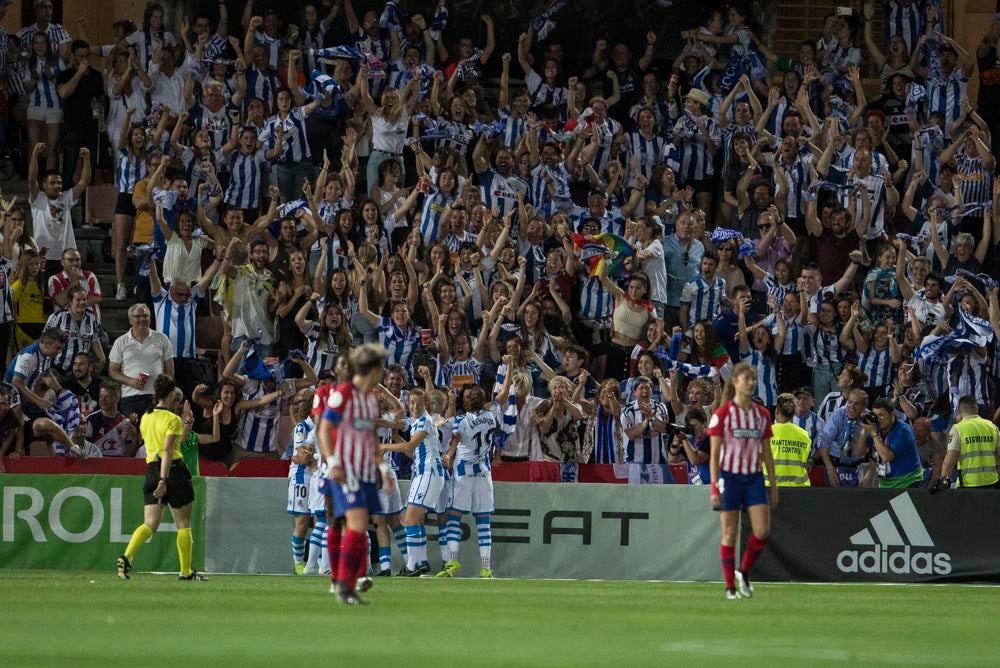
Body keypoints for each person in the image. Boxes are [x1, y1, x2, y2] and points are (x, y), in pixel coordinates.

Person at [315, 343, 391, 605]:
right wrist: (333, 462)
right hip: (345, 471)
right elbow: (324, 430)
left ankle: (345, 583)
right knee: (355, 524)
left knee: (360, 527)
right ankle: (343, 586)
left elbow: (370, 436)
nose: (382, 372)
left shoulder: (370, 398)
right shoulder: (342, 394)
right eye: (381, 367)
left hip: (366, 472)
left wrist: (381, 467)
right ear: (373, 368)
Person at [118, 374, 207, 581]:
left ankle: (127, 556)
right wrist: (163, 480)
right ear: (170, 394)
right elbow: (168, 450)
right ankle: (186, 572)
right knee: (183, 524)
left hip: (150, 469)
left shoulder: (146, 417)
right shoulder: (172, 419)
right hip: (172, 472)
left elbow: (155, 445)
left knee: (149, 524)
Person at [707, 362, 778, 600]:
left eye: (753, 380)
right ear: (735, 381)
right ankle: (729, 587)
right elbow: (714, 455)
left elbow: (766, 452)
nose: (750, 383)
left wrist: (774, 485)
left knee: (762, 531)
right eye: (745, 379)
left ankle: (743, 571)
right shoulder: (723, 414)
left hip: (754, 478)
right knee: (730, 532)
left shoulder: (762, 415)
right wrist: (714, 485)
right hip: (729, 477)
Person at [439, 374, 516, 579]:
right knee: (483, 520)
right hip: (484, 471)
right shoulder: (491, 415)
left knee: (454, 516)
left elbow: (454, 441)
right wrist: (508, 367)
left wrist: (447, 455)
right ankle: (485, 568)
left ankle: (453, 560)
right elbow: (504, 394)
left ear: (468, 401)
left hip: (464, 471)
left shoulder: (461, 421)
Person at [380, 387, 446, 578]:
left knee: (409, 520)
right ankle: (421, 563)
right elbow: (412, 452)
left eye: (418, 403)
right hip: (422, 472)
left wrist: (385, 445)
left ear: (425, 404)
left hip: (429, 473)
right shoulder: (417, 422)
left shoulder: (425, 420)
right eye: (412, 403)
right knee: (415, 521)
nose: (415, 406)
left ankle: (411, 566)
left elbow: (410, 446)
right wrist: (395, 439)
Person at [108, 303, 175, 417]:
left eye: (145, 316)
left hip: (156, 396)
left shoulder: (162, 338)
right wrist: (130, 381)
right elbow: (112, 371)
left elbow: (170, 369)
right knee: (131, 433)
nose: (142, 319)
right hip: (130, 397)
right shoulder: (121, 341)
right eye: (137, 316)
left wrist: (165, 392)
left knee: (156, 433)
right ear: (130, 320)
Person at [858, 397, 923, 488]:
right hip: (886, 485)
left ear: (892, 415)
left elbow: (887, 456)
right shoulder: (876, 429)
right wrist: (864, 431)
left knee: (900, 503)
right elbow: (861, 452)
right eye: (875, 416)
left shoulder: (903, 430)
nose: (878, 419)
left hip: (907, 483)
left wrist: (873, 433)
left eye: (881, 415)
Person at [939, 395, 1000, 490]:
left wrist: (943, 483)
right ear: (976, 408)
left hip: (968, 485)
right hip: (992, 483)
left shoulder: (957, 429)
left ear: (959, 412)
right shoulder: (992, 426)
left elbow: (949, 462)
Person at [84, 380, 139, 457]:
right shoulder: (91, 420)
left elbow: (129, 454)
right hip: (97, 463)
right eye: (101, 396)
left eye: (107, 396)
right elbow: (84, 448)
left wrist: (135, 438)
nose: (103, 399)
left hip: (119, 465)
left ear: (117, 399)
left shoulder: (125, 423)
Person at [768, 393, 812, 487]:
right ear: (793, 413)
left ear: (777, 411)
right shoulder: (804, 435)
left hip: (771, 487)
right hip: (799, 488)